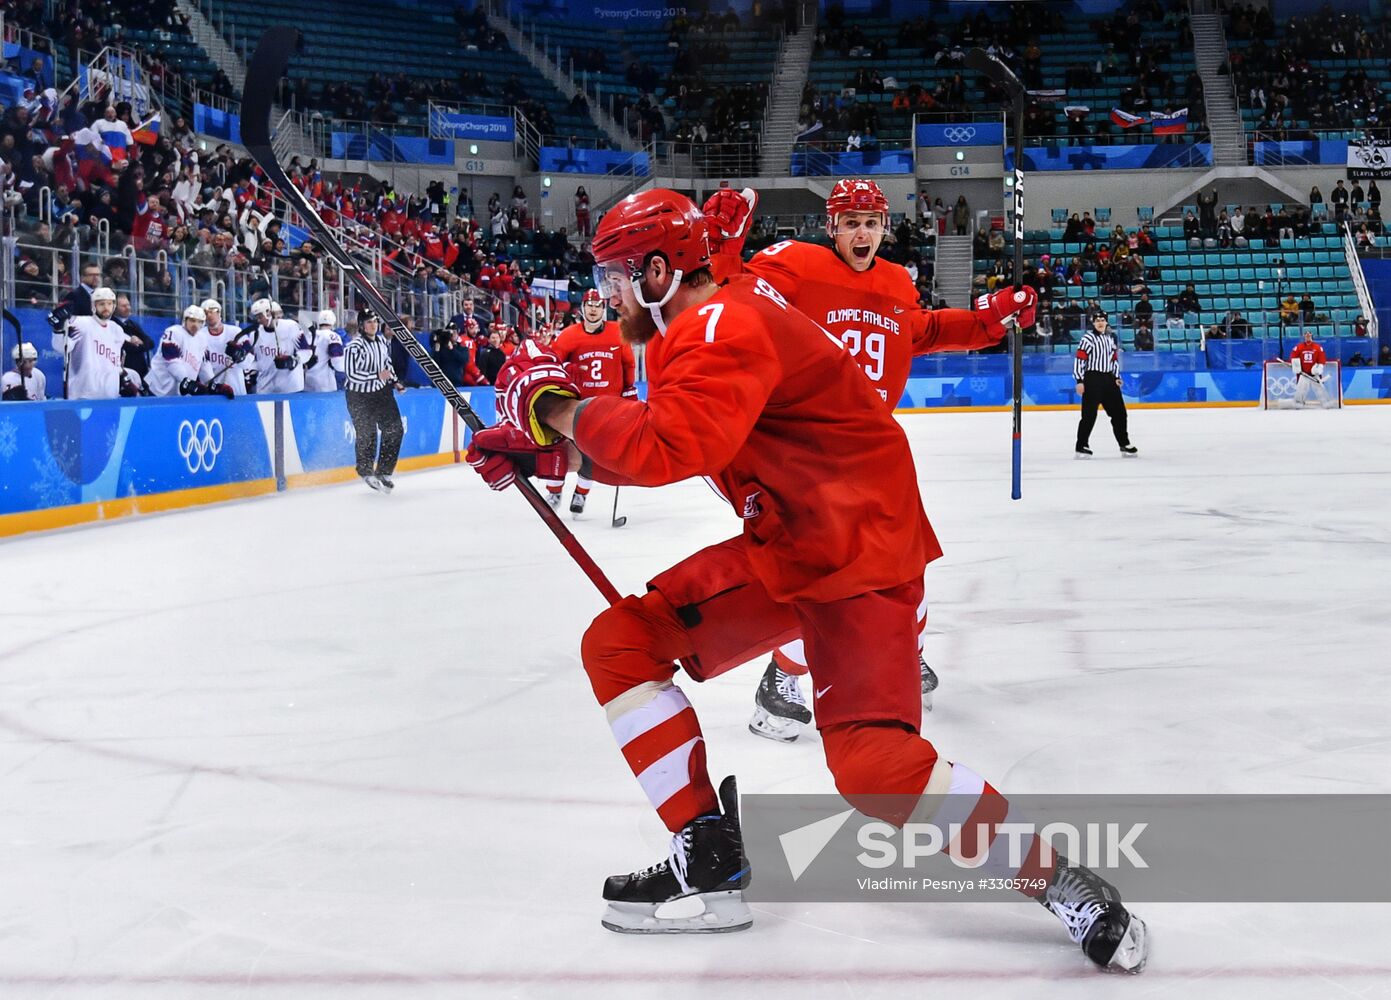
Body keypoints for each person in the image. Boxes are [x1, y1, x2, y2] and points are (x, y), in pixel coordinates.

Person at [462, 189, 1148, 971]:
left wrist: (550, 403)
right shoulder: (708, 325)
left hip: (859, 557)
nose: (607, 296)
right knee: (619, 644)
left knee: (874, 769)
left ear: (656, 271)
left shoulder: (727, 322)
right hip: (788, 544)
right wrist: (544, 452)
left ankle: (1061, 881)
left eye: (616, 277)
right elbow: (678, 442)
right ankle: (705, 851)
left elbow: (665, 446)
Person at [703, 179, 1034, 737]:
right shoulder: (794, 265)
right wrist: (723, 249)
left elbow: (919, 331)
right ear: (831, 227)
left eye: (872, 222)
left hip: (867, 453)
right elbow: (728, 296)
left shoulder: (895, 281)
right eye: (851, 222)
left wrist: (990, 319)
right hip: (800, 454)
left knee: (906, 568)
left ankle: (903, 650)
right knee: (829, 583)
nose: (863, 232)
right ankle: (782, 678)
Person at [547, 288, 636, 514]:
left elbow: (628, 364)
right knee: (560, 447)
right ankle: (555, 489)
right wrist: (568, 369)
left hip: (608, 406)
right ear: (583, 308)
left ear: (603, 309)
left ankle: (581, 493)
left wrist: (629, 389)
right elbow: (551, 362)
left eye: (597, 306)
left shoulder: (618, 332)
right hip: (575, 406)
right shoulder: (569, 335)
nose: (594, 310)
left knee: (593, 454)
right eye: (589, 305)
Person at [343, 309, 405, 491]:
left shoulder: (382, 342)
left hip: (381, 392)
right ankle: (366, 470)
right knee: (367, 432)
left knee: (395, 429)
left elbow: (387, 365)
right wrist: (377, 375)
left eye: (375, 321)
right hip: (358, 396)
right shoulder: (354, 347)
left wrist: (395, 382)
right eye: (369, 322)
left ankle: (384, 471)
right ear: (361, 326)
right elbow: (351, 374)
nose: (374, 325)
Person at [1073, 311, 1136, 457]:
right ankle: (1081, 445)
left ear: (1106, 322)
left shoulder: (1109, 339)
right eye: (1097, 320)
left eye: (1102, 320)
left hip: (1109, 379)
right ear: (1093, 323)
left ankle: (1124, 444)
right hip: (1092, 378)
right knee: (1089, 415)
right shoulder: (1087, 339)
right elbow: (1080, 360)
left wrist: (1116, 377)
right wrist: (1079, 381)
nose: (1100, 322)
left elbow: (1113, 360)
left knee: (1120, 413)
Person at [52, 286, 130, 399]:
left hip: (110, 395)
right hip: (83, 394)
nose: (106, 308)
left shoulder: (117, 330)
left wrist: (123, 377)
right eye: (101, 304)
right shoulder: (80, 323)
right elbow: (61, 347)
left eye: (109, 304)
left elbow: (115, 362)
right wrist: (58, 330)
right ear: (93, 306)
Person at [148, 305, 232, 398]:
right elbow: (171, 361)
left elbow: (204, 366)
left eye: (200, 322)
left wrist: (212, 384)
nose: (195, 325)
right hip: (157, 389)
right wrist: (187, 382)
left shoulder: (202, 339)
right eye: (192, 320)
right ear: (185, 320)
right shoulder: (174, 332)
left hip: (178, 394)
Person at [246, 297, 308, 394]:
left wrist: (293, 360)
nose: (258, 320)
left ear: (268, 313)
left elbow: (306, 351)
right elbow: (255, 360)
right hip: (265, 388)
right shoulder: (254, 334)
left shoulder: (291, 326)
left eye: (259, 316)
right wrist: (251, 372)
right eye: (256, 317)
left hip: (290, 387)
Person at [199, 299, 254, 396]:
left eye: (212, 311)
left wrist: (239, 355)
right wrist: (215, 387)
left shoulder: (235, 332)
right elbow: (202, 369)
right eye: (205, 313)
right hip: (213, 394)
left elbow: (248, 362)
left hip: (237, 393)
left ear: (219, 313)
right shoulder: (200, 336)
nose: (209, 315)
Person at [1289, 329, 1335, 408]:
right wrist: (1297, 367)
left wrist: (1320, 367)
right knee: (1301, 389)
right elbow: (1293, 357)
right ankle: (1299, 403)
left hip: (1314, 374)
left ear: (1311, 336)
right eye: (1306, 335)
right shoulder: (1299, 347)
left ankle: (1326, 402)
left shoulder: (1318, 347)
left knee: (1320, 389)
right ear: (1304, 336)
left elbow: (1322, 358)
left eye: (1309, 335)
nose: (1307, 337)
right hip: (1303, 373)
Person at [302, 309, 346, 392]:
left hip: (307, 382)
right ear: (333, 321)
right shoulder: (333, 336)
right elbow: (338, 362)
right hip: (325, 384)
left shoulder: (308, 335)